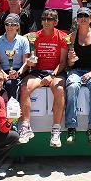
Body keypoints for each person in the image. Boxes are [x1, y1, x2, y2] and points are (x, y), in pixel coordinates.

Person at [19, 9, 68, 147]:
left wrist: (51, 75)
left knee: (58, 89)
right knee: (24, 87)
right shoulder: (34, 36)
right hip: (39, 71)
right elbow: (30, 55)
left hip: (56, 72)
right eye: (44, 19)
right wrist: (30, 62)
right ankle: (25, 127)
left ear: (56, 22)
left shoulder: (63, 37)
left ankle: (56, 130)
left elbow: (63, 62)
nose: (46, 22)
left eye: (50, 19)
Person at [65, 7, 91, 145]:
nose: (83, 18)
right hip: (76, 71)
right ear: (76, 19)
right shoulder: (72, 36)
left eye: (86, 16)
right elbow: (69, 64)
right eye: (80, 15)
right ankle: (71, 127)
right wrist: (70, 60)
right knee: (72, 86)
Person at [0, 14, 30, 101]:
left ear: (17, 26)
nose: (9, 26)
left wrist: (18, 73)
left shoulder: (23, 40)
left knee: (11, 84)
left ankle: (13, 110)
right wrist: (4, 75)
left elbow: (26, 63)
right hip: (2, 71)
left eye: (13, 24)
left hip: (19, 71)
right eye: (7, 24)